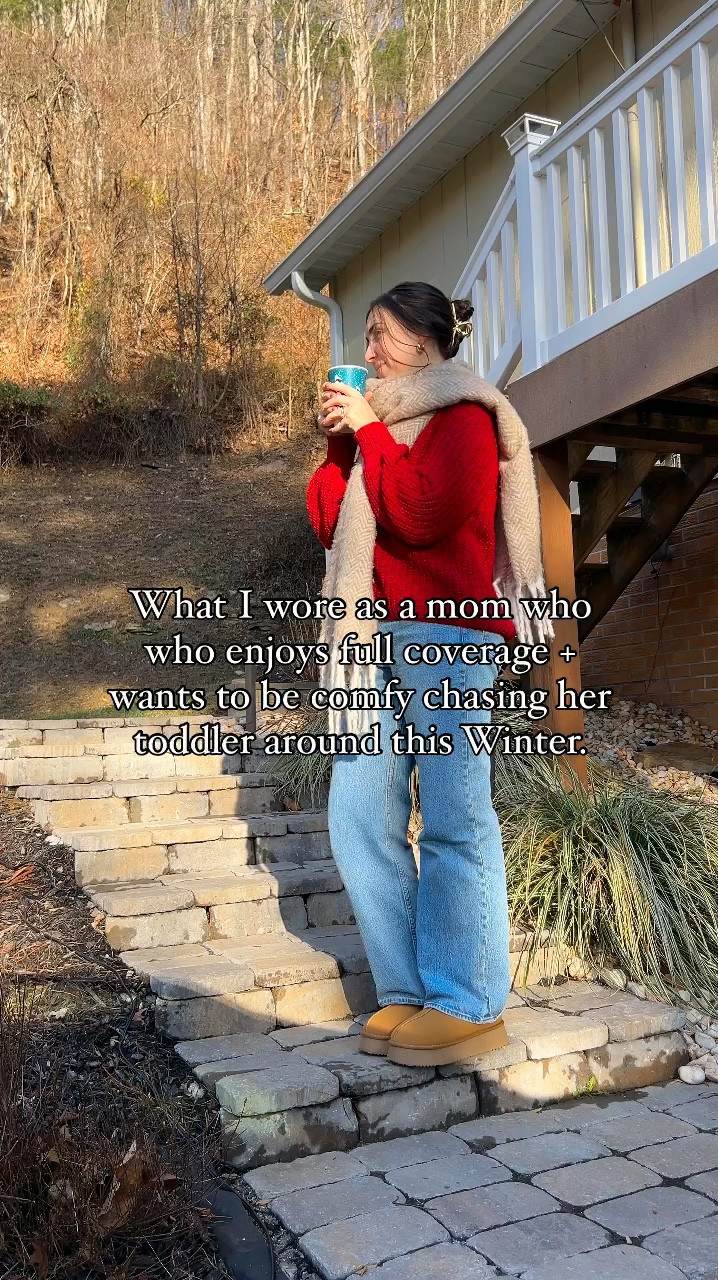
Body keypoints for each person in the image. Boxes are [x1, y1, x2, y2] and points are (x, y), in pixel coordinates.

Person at [305, 281, 551, 1068]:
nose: (368, 351)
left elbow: (418, 513)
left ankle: (469, 1001)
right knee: (358, 811)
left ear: (428, 339)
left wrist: (371, 434)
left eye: (381, 335)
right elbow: (325, 521)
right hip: (366, 636)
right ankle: (408, 990)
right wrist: (344, 446)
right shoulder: (381, 425)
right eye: (367, 337)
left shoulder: (465, 420)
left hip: (446, 634)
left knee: (452, 814)